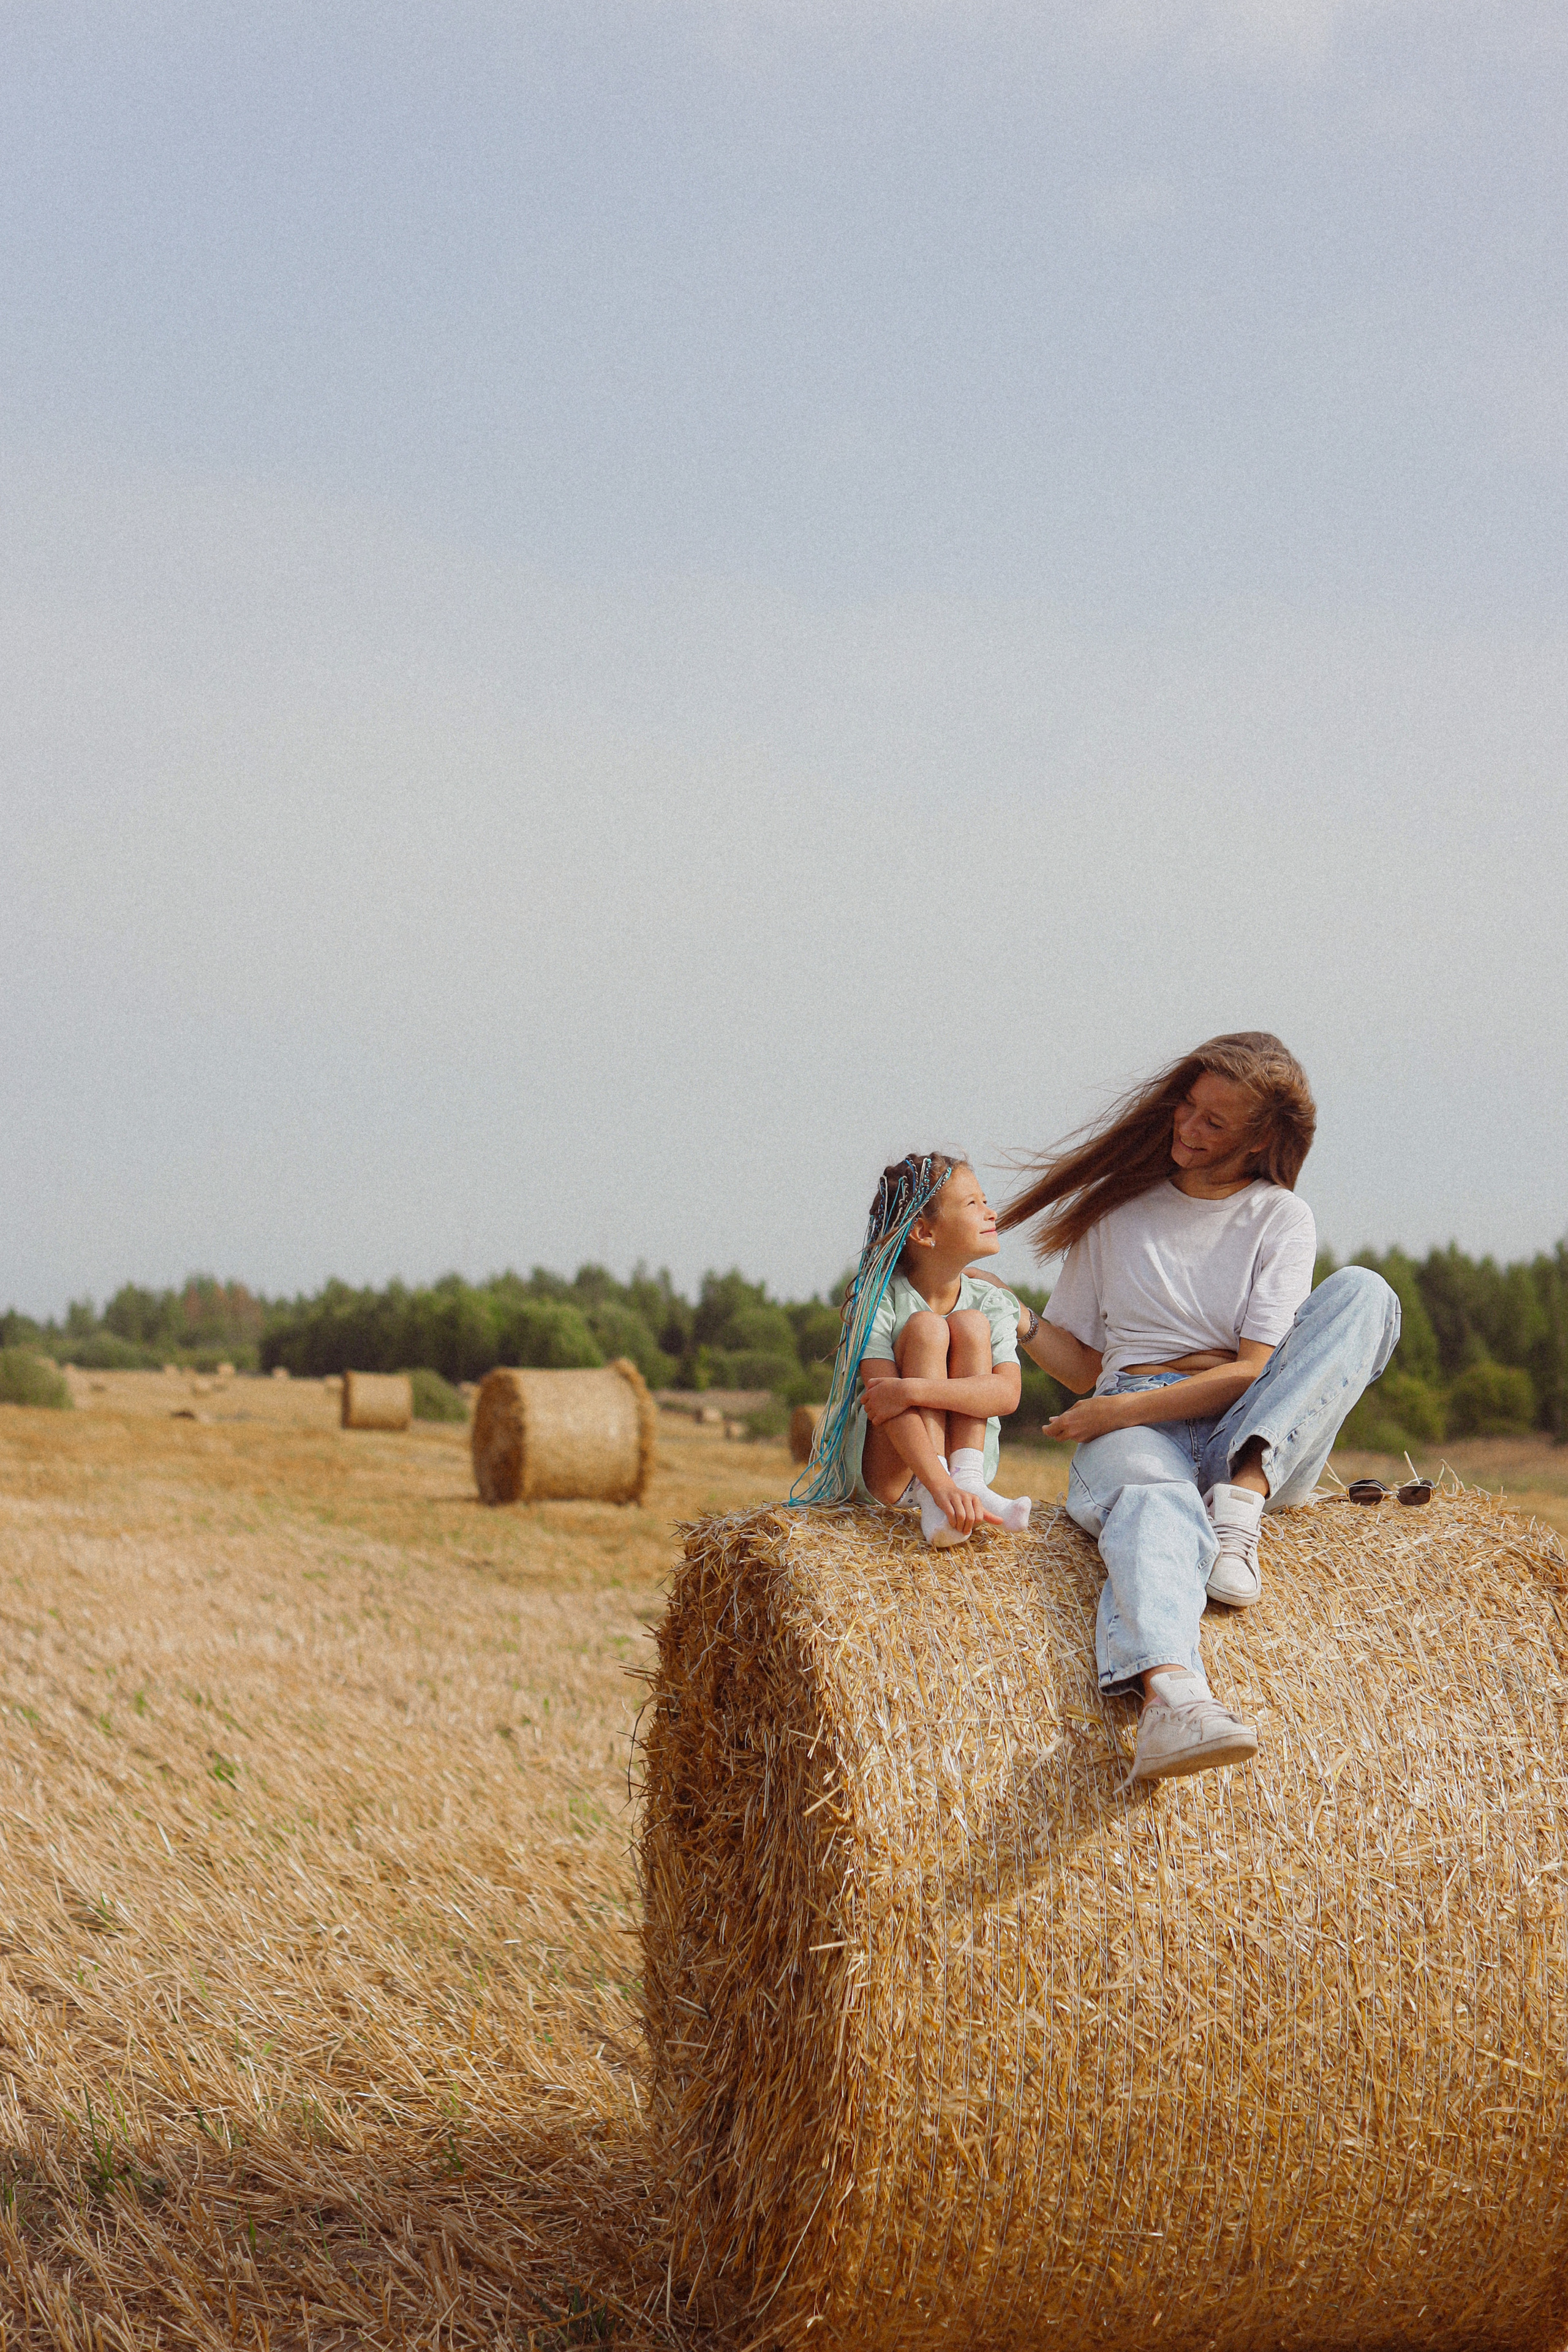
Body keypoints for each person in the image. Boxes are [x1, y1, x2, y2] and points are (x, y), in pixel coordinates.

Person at [993, 1032, 1400, 1784]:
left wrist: (1116, 1414)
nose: (1187, 1126)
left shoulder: (1279, 1218)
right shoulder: (1115, 1213)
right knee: (1154, 1498)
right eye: (1187, 1107)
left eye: (1215, 1122)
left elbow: (1253, 1372)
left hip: (1250, 1434)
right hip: (1137, 1414)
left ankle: (1240, 1505)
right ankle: (1173, 1698)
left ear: (1260, 1140)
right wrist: (1019, 1322)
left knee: (1366, 1293)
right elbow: (1085, 1366)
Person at [792, 1153, 1032, 1547]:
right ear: (924, 1232)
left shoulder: (994, 1302)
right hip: (892, 1474)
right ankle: (938, 1489)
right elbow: (885, 1403)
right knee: (926, 1329)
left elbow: (1006, 1394)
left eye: (985, 1200)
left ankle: (969, 1480)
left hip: (960, 1474)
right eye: (973, 1204)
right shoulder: (877, 1300)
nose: (991, 1213)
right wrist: (939, 1486)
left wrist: (912, 1389)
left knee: (972, 1325)